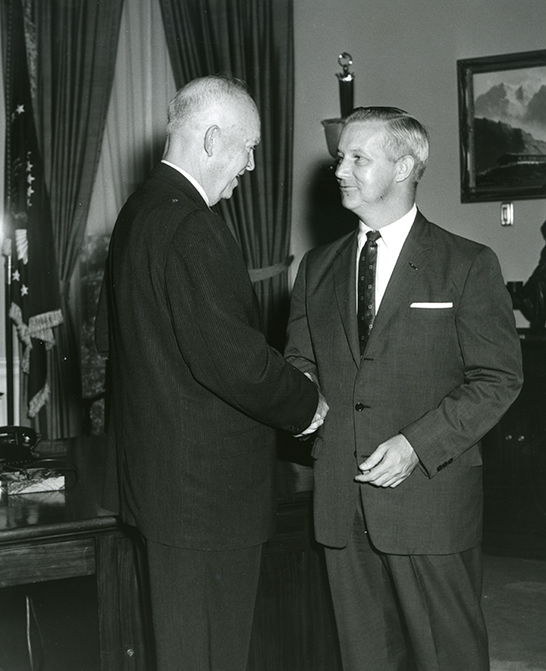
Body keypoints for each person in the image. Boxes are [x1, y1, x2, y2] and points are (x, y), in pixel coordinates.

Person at [95, 74, 328, 671]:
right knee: (211, 654)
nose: (251, 166)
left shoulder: (138, 213)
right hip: (207, 498)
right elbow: (233, 359)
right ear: (212, 138)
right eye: (247, 148)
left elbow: (113, 341)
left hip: (165, 485)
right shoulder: (193, 225)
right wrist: (310, 406)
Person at [284, 106, 523, 671]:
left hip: (430, 503)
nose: (340, 169)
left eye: (357, 158)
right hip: (342, 502)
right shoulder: (316, 267)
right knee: (365, 659)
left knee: (449, 658)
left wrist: (416, 444)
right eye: (340, 156)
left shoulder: (466, 264)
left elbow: (498, 378)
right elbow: (302, 361)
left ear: (405, 166)